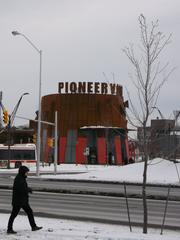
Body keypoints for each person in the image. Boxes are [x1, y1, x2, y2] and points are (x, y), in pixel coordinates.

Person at [7, 165, 42, 234]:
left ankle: (33, 226)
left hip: (23, 201)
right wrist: (28, 190)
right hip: (18, 201)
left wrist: (28, 190)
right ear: (23, 172)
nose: (27, 173)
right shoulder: (18, 179)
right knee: (14, 215)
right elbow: (20, 189)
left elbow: (23, 188)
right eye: (26, 172)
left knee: (29, 212)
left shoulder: (22, 178)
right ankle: (9, 229)